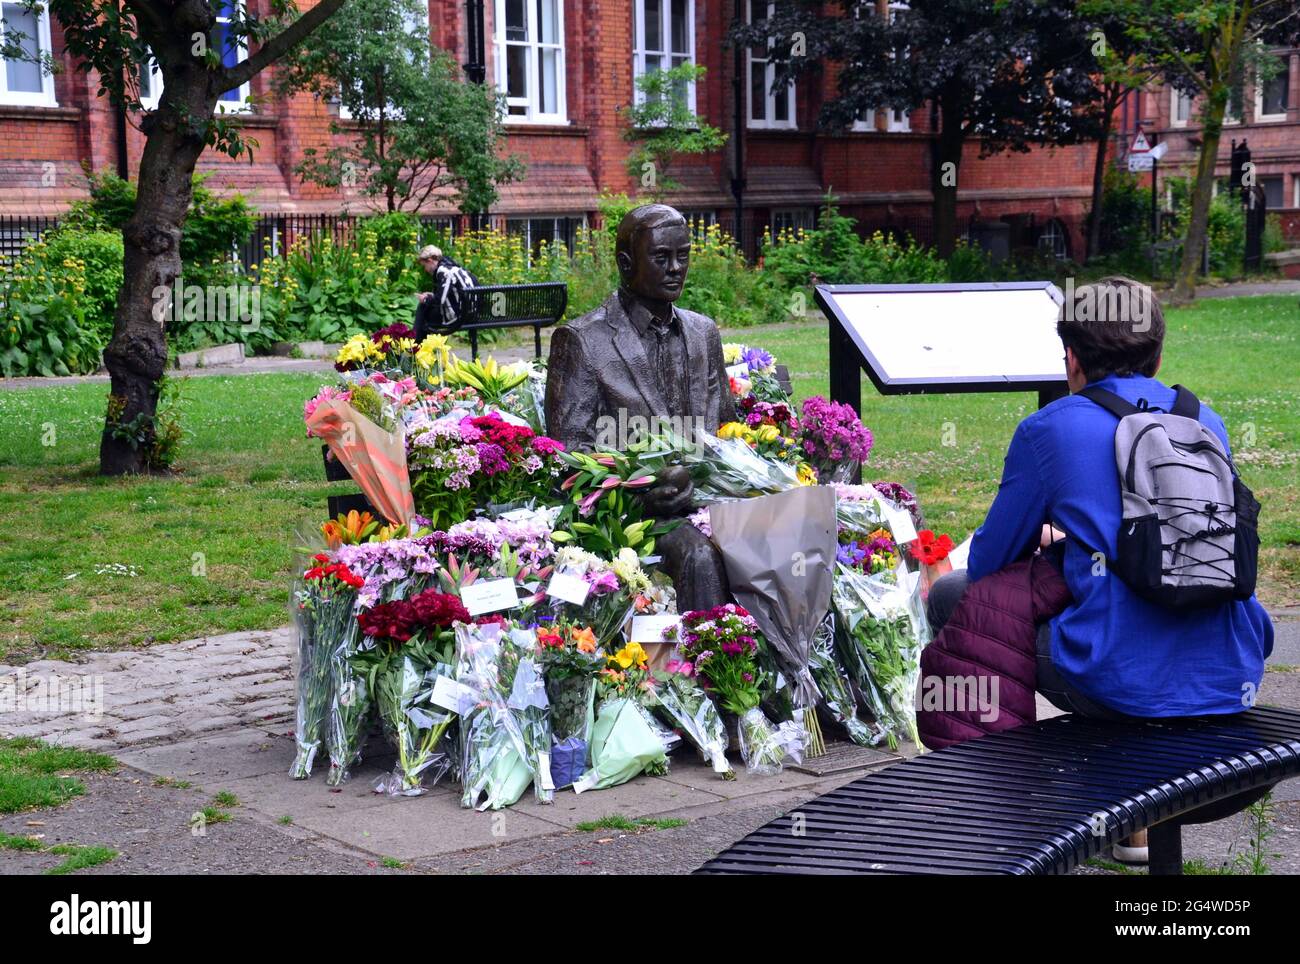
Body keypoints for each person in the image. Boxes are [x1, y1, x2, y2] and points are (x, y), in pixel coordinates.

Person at [921, 276, 1274, 861]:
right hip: (1230, 671)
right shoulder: (1206, 420)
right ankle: (1130, 831)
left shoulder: (1049, 428)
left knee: (954, 596)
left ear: (1072, 359)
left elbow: (988, 561)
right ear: (1159, 355)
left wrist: (1056, 539)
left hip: (1116, 681)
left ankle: (1002, 795)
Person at [544, 204, 736, 611]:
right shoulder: (582, 340)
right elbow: (567, 457)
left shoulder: (703, 332)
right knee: (700, 555)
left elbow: (729, 431)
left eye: (683, 255)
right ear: (626, 262)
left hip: (714, 498)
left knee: (796, 531)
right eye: (661, 257)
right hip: (640, 514)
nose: (675, 268)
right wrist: (641, 491)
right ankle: (715, 666)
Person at [413, 244, 476, 339]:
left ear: (430, 261)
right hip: (473, 313)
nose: (425, 270)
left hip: (460, 317)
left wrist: (425, 299)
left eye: (424, 266)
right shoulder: (455, 267)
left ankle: (415, 344)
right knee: (426, 309)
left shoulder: (443, 271)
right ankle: (418, 345)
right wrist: (431, 296)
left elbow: (440, 301)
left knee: (423, 307)